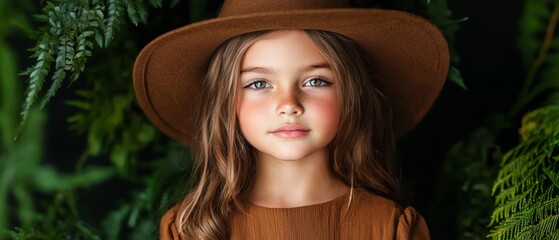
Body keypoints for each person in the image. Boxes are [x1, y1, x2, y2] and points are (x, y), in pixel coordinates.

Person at [133, 0, 449, 239]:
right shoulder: (190, 228)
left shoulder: (390, 227)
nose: (289, 105)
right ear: (225, 101)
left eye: (316, 81)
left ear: (353, 94)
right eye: (259, 84)